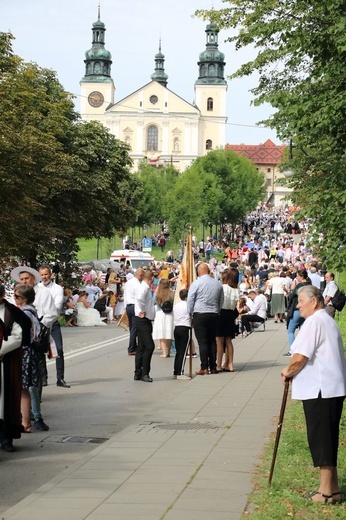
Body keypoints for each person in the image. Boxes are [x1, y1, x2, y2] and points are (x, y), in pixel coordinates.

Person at [281, 285, 346, 504]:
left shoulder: (315, 321)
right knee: (326, 437)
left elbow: (300, 356)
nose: (298, 305)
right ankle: (333, 489)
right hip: (329, 388)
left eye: (301, 301)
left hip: (321, 389)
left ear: (314, 301)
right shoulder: (326, 319)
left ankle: (325, 491)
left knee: (321, 439)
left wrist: (287, 371)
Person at [10, 266, 59, 390]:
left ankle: (36, 397)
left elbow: (52, 313)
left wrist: (38, 325)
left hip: (37, 336)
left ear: (33, 278)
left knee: (37, 367)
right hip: (20, 336)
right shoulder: (16, 294)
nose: (24, 281)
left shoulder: (43, 293)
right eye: (22, 279)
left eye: (27, 278)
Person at [14, 284, 49, 432]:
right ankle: (28, 420)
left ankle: (26, 422)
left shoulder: (25, 313)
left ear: (25, 298)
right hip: (31, 352)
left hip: (26, 352)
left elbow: (21, 335)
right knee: (27, 387)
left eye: (17, 297)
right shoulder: (31, 311)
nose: (15, 299)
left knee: (24, 388)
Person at [0, 283, 30, 452]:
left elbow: (17, 336)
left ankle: (6, 437)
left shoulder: (12, 313)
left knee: (6, 401)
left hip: (6, 362)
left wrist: (0, 350)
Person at [187, 262, 224, 375]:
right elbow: (221, 300)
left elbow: (190, 299)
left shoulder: (196, 283)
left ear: (199, 272)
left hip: (200, 313)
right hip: (213, 314)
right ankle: (213, 366)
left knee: (203, 342)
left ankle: (204, 367)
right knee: (212, 341)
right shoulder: (217, 283)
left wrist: (190, 312)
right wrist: (217, 310)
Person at [38, 265, 70, 388]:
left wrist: (45, 309)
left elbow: (56, 306)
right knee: (40, 351)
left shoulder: (57, 288)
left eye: (46, 274)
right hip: (40, 322)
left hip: (53, 322)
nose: (44, 277)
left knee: (59, 349)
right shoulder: (37, 288)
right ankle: (44, 378)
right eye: (42, 274)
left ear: (50, 274)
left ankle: (60, 378)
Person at [216, 269, 240, 372]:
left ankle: (218, 364)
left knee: (219, 340)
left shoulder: (222, 287)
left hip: (221, 313)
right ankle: (230, 364)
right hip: (230, 314)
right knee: (228, 341)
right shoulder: (236, 290)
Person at [134, 269, 155, 382]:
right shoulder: (145, 288)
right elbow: (140, 299)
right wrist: (142, 310)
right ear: (151, 278)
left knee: (141, 347)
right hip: (143, 319)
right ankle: (145, 373)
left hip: (142, 319)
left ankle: (138, 372)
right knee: (149, 346)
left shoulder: (143, 287)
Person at [284, 269, 311, 356]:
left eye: (298, 276)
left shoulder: (299, 285)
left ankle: (292, 350)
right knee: (302, 330)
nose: (297, 277)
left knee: (290, 330)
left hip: (297, 309)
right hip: (306, 309)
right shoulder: (309, 285)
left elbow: (292, 297)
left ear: (301, 276)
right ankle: (304, 349)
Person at [124, 268, 144, 355]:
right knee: (135, 328)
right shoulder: (137, 284)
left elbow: (125, 295)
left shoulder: (128, 283)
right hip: (135, 306)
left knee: (132, 328)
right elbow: (139, 298)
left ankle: (134, 346)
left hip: (128, 305)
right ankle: (132, 348)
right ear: (140, 275)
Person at [152, 279, 174, 358]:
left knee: (162, 333)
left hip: (160, 313)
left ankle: (164, 352)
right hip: (169, 314)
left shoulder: (157, 293)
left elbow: (153, 302)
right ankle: (168, 351)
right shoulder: (171, 293)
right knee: (169, 332)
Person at [173, 289, 191, 379]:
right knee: (183, 352)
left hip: (177, 328)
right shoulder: (188, 305)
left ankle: (176, 371)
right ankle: (180, 372)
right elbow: (191, 315)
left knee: (178, 351)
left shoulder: (176, 305)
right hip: (185, 327)